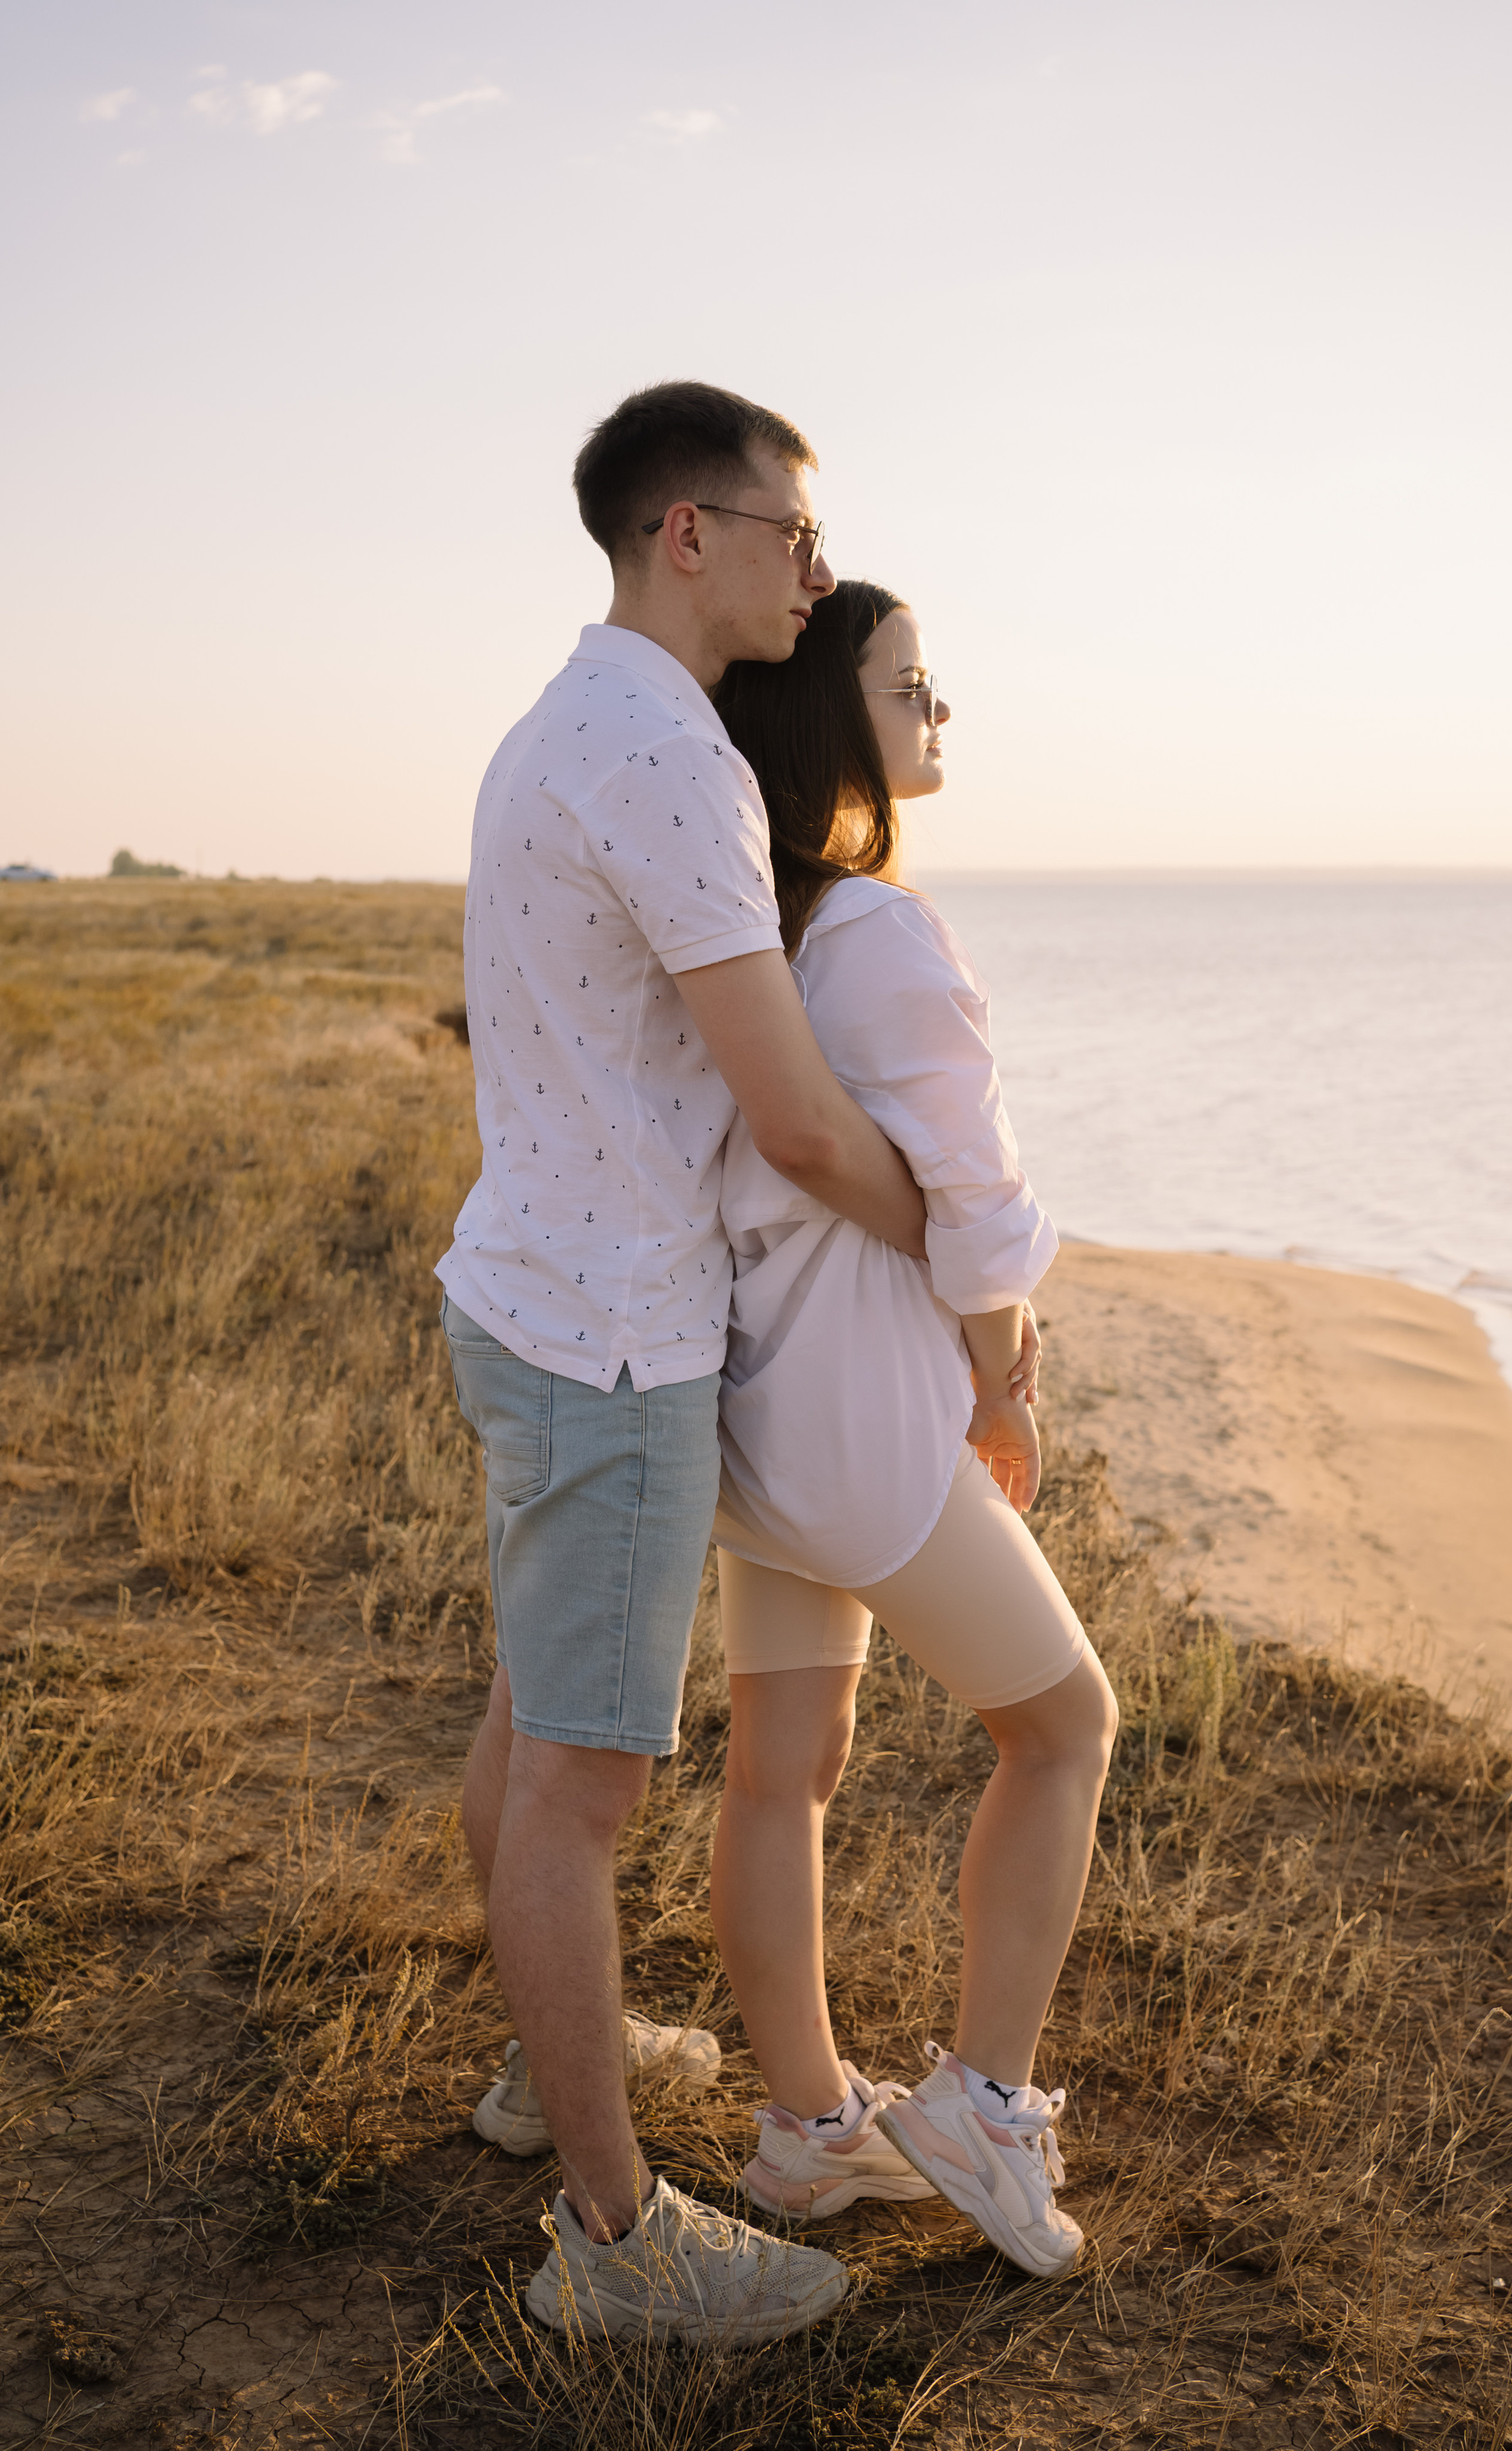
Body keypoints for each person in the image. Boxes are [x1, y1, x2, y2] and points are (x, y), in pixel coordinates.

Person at [437, 387, 932, 2344]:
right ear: (686, 535)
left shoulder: (565, 721)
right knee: (579, 1790)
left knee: (527, 1725)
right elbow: (796, 1119)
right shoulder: (665, 756)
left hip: (528, 1296)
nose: (819, 570)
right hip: (613, 1343)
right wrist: (961, 1241)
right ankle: (617, 2237)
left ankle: (538, 2055)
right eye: (796, 534)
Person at [707, 582, 1120, 2281]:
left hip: (752, 1413)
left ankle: (812, 2130)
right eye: (908, 684)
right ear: (830, 715)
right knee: (1066, 1726)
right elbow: (978, 1194)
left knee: (781, 1770)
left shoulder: (760, 920)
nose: (937, 710)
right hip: (863, 1420)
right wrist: (1006, 1378)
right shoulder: (875, 926)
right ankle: (986, 2104)